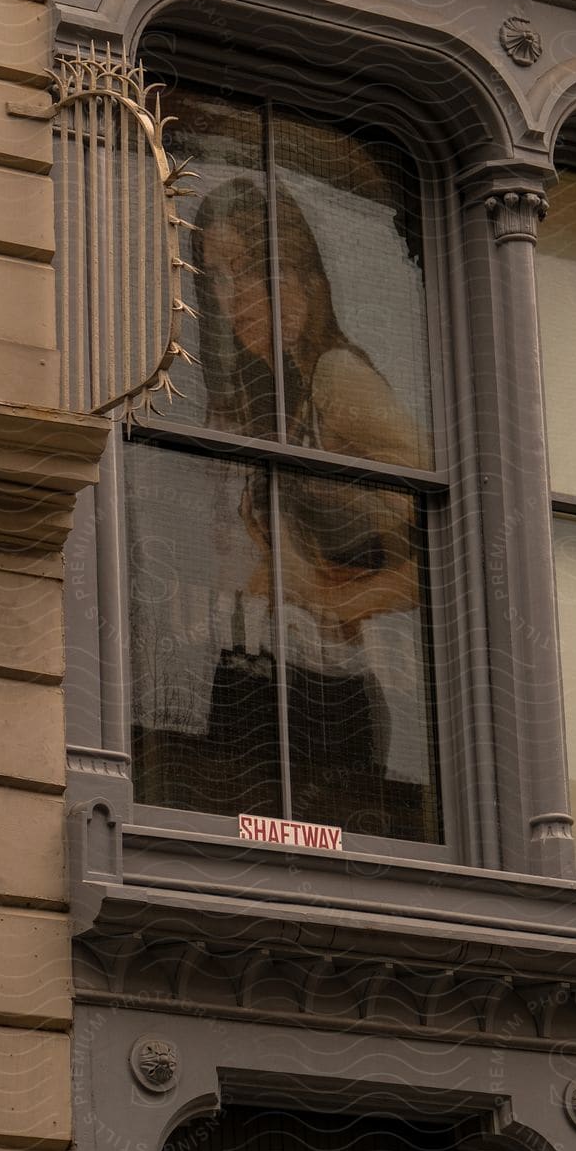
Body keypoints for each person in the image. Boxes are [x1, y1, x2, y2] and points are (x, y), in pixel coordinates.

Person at [191, 177, 429, 807]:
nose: (232, 296)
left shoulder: (337, 378)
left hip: (322, 692)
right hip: (248, 669)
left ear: (299, 273)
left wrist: (335, 605)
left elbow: (442, 545)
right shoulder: (266, 401)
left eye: (250, 269)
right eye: (216, 276)